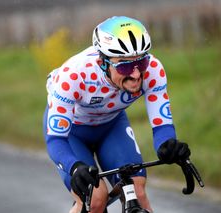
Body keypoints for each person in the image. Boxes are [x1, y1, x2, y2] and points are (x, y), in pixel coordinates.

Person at [43, 16, 191, 213]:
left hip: (112, 125)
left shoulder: (153, 70)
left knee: (137, 190)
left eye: (141, 62)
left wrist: (167, 145)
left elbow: (162, 125)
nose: (137, 74)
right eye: (125, 66)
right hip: (72, 133)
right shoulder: (74, 76)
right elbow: (56, 140)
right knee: (96, 199)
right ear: (103, 63)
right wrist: (74, 167)